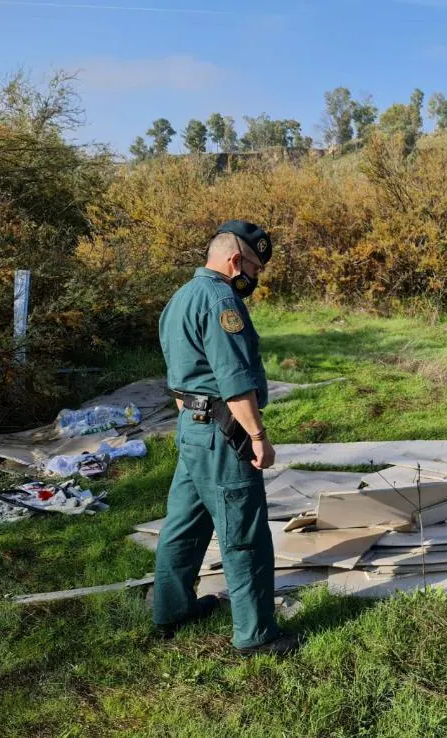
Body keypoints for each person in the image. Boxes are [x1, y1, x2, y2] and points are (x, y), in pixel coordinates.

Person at [152, 220, 299, 656]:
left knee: (184, 524)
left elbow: (178, 372)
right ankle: (256, 637)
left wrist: (192, 418)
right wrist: (257, 435)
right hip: (223, 434)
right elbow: (234, 381)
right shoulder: (221, 301)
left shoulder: (180, 298)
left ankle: (172, 611)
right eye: (254, 267)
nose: (253, 278)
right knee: (244, 532)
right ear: (236, 260)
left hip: (191, 430)